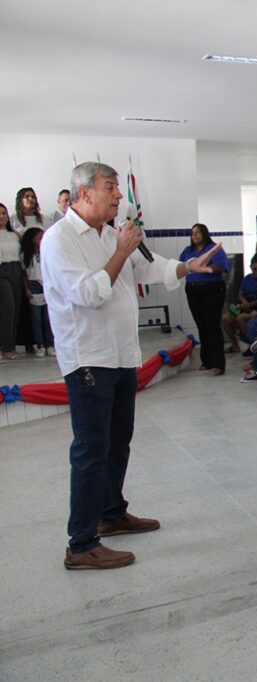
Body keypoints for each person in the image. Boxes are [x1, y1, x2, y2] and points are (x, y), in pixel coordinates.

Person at [40, 161, 222, 570]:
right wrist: (121, 251)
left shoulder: (111, 232)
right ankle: (81, 544)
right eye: (110, 188)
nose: (119, 196)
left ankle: (110, 512)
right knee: (90, 449)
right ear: (84, 193)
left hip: (122, 355)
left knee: (118, 440)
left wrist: (185, 267)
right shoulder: (60, 239)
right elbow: (88, 294)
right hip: (88, 357)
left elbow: (149, 265)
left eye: (119, 189)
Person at [181, 223, 229, 374]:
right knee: (201, 326)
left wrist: (206, 266)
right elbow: (181, 266)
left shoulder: (213, 249)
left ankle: (218, 364)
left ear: (205, 234)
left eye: (198, 233)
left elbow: (222, 266)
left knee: (212, 325)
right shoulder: (188, 251)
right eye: (192, 233)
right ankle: (206, 361)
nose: (194, 235)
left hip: (212, 290)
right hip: (193, 290)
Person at [19, 227, 55, 357]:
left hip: (46, 283)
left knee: (47, 318)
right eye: (39, 237)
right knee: (36, 319)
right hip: (33, 285)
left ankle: (50, 344)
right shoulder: (25, 255)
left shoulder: (47, 251)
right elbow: (24, 274)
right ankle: (40, 345)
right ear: (32, 239)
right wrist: (27, 289)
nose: (42, 239)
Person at [0, 203, 23, 361]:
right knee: (8, 308)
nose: (1, 216)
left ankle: (11, 345)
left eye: (3, 213)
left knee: (15, 311)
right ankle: (5, 347)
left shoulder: (14, 234)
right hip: (2, 271)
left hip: (16, 270)